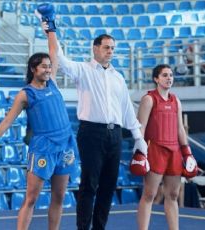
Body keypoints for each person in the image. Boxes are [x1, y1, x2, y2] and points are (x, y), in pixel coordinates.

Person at [43, 11, 147, 230]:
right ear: (95, 48)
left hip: (115, 134)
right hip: (91, 133)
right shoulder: (83, 70)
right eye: (106, 47)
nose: (110, 51)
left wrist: (138, 137)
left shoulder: (118, 77)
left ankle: (99, 228)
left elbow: (127, 108)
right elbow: (59, 58)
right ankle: (83, 228)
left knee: (108, 186)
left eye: (112, 48)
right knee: (89, 184)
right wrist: (50, 30)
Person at [0, 52, 78, 228]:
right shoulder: (25, 94)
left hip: (65, 146)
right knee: (31, 198)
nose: (48, 70)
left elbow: (54, 50)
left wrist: (50, 30)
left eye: (49, 66)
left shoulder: (52, 83)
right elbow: (8, 120)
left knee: (60, 196)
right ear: (33, 69)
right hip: (43, 149)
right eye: (44, 67)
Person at [136, 64, 198, 230]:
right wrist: (140, 152)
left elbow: (180, 128)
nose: (169, 78)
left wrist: (187, 153)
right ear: (156, 79)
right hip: (155, 150)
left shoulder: (175, 100)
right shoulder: (148, 99)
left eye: (171, 75)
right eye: (164, 75)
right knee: (149, 194)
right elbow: (140, 128)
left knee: (173, 194)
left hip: (174, 152)